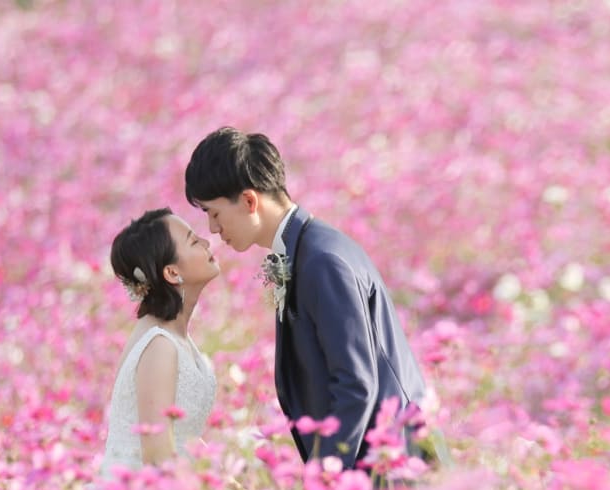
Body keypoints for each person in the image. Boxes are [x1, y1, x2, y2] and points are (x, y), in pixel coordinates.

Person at [184, 128, 440, 472]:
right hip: (376, 463)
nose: (213, 229)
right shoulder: (308, 250)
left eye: (214, 213)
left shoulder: (322, 260)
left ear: (249, 201)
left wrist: (327, 476)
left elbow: (356, 384)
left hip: (389, 470)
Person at [100, 208, 220, 478]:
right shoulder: (159, 345)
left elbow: (182, 436)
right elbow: (156, 456)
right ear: (171, 272)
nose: (206, 241)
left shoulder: (175, 337)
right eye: (193, 241)